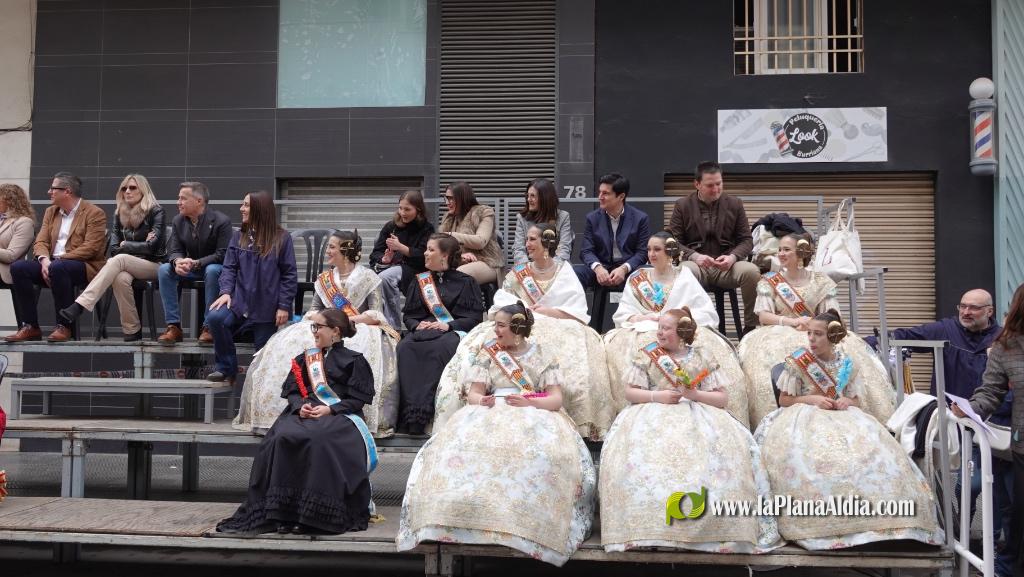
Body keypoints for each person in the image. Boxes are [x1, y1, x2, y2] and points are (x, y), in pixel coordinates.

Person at [397, 302, 596, 566]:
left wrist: (529, 401)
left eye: (501, 326)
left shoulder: (543, 355)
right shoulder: (489, 353)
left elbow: (555, 400)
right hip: (490, 411)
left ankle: (522, 522)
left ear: (517, 328)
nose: (496, 331)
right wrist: (482, 401)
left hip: (533, 411)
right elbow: (474, 394)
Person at [755, 309, 942, 549]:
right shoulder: (798, 362)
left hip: (843, 416)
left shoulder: (846, 363)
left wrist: (847, 401)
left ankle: (880, 521)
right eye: (810, 333)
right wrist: (813, 399)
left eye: (818, 334)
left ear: (833, 336)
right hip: (804, 417)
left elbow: (855, 399)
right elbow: (785, 400)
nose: (811, 338)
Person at [600, 308, 781, 554]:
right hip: (651, 413)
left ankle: (709, 529)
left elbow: (722, 399)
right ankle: (649, 527)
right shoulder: (646, 355)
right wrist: (657, 396)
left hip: (700, 416)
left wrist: (694, 394)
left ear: (682, 332)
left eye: (666, 328)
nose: (659, 333)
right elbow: (630, 392)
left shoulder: (702, 357)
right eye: (659, 327)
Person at [434, 223, 615, 440]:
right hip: (516, 323)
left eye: (532, 239)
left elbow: (576, 308)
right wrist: (524, 310)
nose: (526, 244)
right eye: (526, 239)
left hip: (558, 322)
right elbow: (502, 302)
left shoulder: (565, 272)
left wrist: (549, 311)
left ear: (547, 242)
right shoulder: (518, 273)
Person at [217, 309, 377, 536]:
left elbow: (359, 399)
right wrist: (299, 406)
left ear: (335, 331)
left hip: (340, 416)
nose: (314, 331)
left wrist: (330, 409)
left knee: (319, 439)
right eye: (314, 326)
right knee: (283, 436)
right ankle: (283, 513)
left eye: (318, 327)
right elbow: (292, 392)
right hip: (304, 412)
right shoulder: (306, 358)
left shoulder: (354, 360)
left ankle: (311, 516)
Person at [234, 230, 400, 437]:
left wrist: (346, 321)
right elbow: (313, 309)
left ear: (346, 250)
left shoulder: (369, 278)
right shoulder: (324, 279)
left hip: (356, 326)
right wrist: (323, 319)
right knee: (291, 342)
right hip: (324, 325)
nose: (327, 251)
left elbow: (375, 313)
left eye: (331, 247)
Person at [738, 233, 895, 427]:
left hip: (817, 330)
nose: (781, 254)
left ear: (801, 252)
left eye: (787, 249)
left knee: (847, 349)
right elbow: (763, 316)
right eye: (779, 249)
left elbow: (832, 316)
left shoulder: (821, 281)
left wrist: (813, 324)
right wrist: (791, 321)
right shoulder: (769, 281)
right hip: (779, 330)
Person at [602, 231, 752, 428]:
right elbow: (624, 313)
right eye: (649, 249)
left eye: (657, 249)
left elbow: (704, 311)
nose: (651, 254)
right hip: (644, 327)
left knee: (704, 342)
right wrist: (646, 317)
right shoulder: (637, 278)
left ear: (670, 252)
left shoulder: (684, 277)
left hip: (679, 328)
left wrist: (678, 321)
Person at [954, 282, 1024, 577]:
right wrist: (969, 408)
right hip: (1021, 446)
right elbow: (991, 391)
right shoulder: (1007, 347)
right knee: (1019, 520)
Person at [58, 174, 166, 341]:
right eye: (124, 188)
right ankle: (132, 330)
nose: (127, 191)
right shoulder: (119, 214)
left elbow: (152, 247)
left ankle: (80, 305)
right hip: (125, 265)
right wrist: (133, 246)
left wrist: (126, 244)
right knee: (120, 278)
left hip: (154, 265)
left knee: (119, 260)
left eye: (132, 188)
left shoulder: (156, 211)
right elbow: (114, 249)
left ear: (143, 190)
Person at [395, 233, 483, 435]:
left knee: (440, 348)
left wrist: (449, 325)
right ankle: (410, 416)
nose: (425, 253)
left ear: (445, 255)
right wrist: (417, 325)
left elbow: (474, 318)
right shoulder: (420, 281)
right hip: (422, 333)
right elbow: (409, 316)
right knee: (405, 347)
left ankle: (430, 414)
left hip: (451, 333)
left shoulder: (466, 282)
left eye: (431, 249)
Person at [206, 191, 297, 384]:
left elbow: (289, 275)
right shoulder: (238, 236)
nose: (242, 209)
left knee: (262, 359)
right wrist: (225, 292)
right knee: (215, 317)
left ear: (260, 210)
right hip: (240, 303)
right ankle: (226, 368)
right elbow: (229, 268)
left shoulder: (282, 238)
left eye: (246, 205)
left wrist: (283, 305)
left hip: (267, 308)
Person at [6, 172, 107, 343]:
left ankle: (64, 326)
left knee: (59, 267)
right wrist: (44, 260)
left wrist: (58, 261)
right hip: (52, 265)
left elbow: (91, 248)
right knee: (18, 267)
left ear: (67, 191)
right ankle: (30, 326)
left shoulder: (94, 213)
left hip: (83, 266)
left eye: (53, 188)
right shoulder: (51, 212)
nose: (49, 192)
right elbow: (40, 242)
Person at [667, 161, 761, 334]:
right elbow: (673, 241)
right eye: (710, 185)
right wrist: (695, 256)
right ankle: (687, 325)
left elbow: (747, 240)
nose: (716, 189)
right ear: (697, 184)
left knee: (751, 272)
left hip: (727, 266)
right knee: (684, 271)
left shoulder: (735, 204)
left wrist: (732, 257)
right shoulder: (682, 205)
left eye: (719, 184)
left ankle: (750, 327)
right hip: (697, 265)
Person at [156, 181, 233, 345]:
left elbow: (223, 254)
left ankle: (209, 327)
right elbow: (175, 250)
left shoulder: (221, 221)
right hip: (192, 267)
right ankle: (174, 326)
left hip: (213, 267)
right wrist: (178, 262)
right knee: (164, 270)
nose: (178, 202)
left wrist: (197, 262)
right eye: (178, 198)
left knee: (212, 270)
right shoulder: (178, 220)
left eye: (183, 198)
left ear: (199, 201)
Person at [574, 173, 650, 294]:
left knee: (647, 273)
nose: (600, 197)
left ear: (621, 196)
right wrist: (598, 268)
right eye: (600, 192)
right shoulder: (592, 218)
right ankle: (576, 307)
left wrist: (624, 268)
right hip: (601, 267)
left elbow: (642, 252)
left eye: (605, 193)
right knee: (575, 273)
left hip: (628, 268)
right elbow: (586, 251)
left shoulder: (640, 218)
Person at [369, 189, 434, 330]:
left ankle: (393, 327)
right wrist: (384, 259)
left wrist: (401, 248)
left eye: (407, 209)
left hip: (415, 270)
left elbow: (425, 256)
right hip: (390, 267)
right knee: (370, 277)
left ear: (418, 209)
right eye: (400, 208)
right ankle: (375, 325)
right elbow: (375, 254)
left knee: (386, 277)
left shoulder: (427, 229)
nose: (403, 213)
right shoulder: (391, 226)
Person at [438, 182, 504, 284]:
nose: (447, 202)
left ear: (462, 198)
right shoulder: (448, 218)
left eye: (451, 198)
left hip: (487, 262)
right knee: (432, 273)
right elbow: (443, 247)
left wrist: (450, 236)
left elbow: (480, 241)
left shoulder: (484, 212)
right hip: (458, 261)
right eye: (446, 198)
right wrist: (460, 257)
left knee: (458, 275)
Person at [512, 178, 573, 265]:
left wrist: (550, 269)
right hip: (529, 265)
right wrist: (528, 268)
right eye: (527, 196)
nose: (528, 199)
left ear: (545, 198)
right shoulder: (522, 218)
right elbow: (518, 249)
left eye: (533, 196)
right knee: (514, 273)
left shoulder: (563, 217)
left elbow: (564, 249)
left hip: (556, 265)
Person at [0, 184, 37, 325]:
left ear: (9, 200)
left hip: (6, 271)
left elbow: (11, 255)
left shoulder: (24, 223)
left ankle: (27, 327)